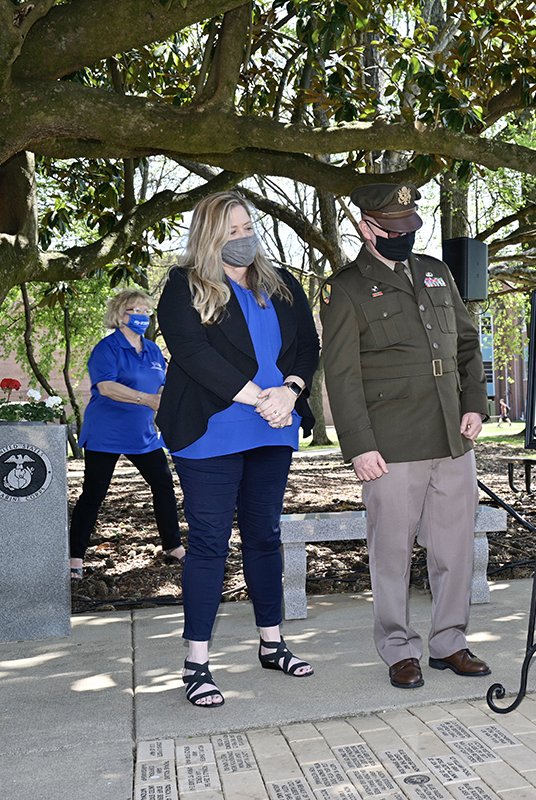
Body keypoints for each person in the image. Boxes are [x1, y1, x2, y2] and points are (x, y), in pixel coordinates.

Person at [320, 182, 491, 689]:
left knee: (455, 549)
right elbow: (342, 373)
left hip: (451, 437)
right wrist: (359, 445)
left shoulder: (437, 273)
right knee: (391, 553)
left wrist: (475, 405)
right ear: (364, 226)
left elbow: (466, 345)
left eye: (408, 227)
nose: (401, 236)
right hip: (390, 446)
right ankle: (398, 648)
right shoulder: (346, 287)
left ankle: (449, 642)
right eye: (390, 228)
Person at [156, 191, 321, 708]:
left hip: (274, 426)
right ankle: (197, 663)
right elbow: (191, 353)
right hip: (212, 431)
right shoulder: (182, 287)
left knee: (264, 537)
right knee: (208, 542)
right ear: (209, 235)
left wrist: (289, 392)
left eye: (247, 225)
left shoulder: (283, 283)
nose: (243, 236)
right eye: (230, 230)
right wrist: (259, 398)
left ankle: (272, 645)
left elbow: (307, 346)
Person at [69, 289, 182, 580]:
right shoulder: (106, 349)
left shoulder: (153, 349)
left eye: (147, 311)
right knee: (94, 494)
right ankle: (74, 559)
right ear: (121, 315)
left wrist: (165, 398)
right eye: (137, 311)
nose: (143, 317)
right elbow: (105, 387)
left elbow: (163, 384)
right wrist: (147, 399)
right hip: (106, 432)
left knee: (163, 484)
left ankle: (173, 547)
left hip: (142, 434)